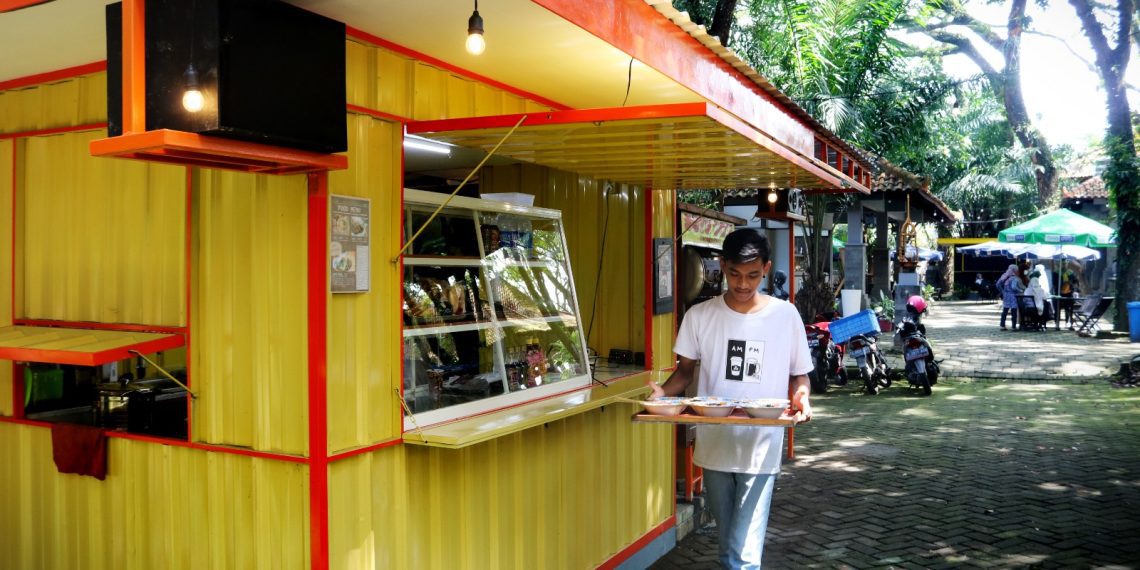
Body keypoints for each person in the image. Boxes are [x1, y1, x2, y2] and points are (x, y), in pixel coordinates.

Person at [647, 228, 812, 569]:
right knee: (728, 548)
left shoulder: (786, 316)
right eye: (734, 274)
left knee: (744, 555)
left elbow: (799, 374)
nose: (742, 284)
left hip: (762, 444)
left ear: (766, 268)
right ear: (722, 265)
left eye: (752, 275)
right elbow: (685, 372)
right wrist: (663, 394)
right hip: (715, 444)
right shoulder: (700, 315)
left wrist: (801, 396)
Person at [995, 264, 1023, 330]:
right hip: (1013, 296)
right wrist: (1020, 290)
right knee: (1014, 311)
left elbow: (997, 284)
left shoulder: (1004, 276)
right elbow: (1014, 287)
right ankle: (1013, 326)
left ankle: (1002, 325)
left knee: (1005, 310)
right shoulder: (1014, 278)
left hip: (1006, 296)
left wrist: (1003, 291)